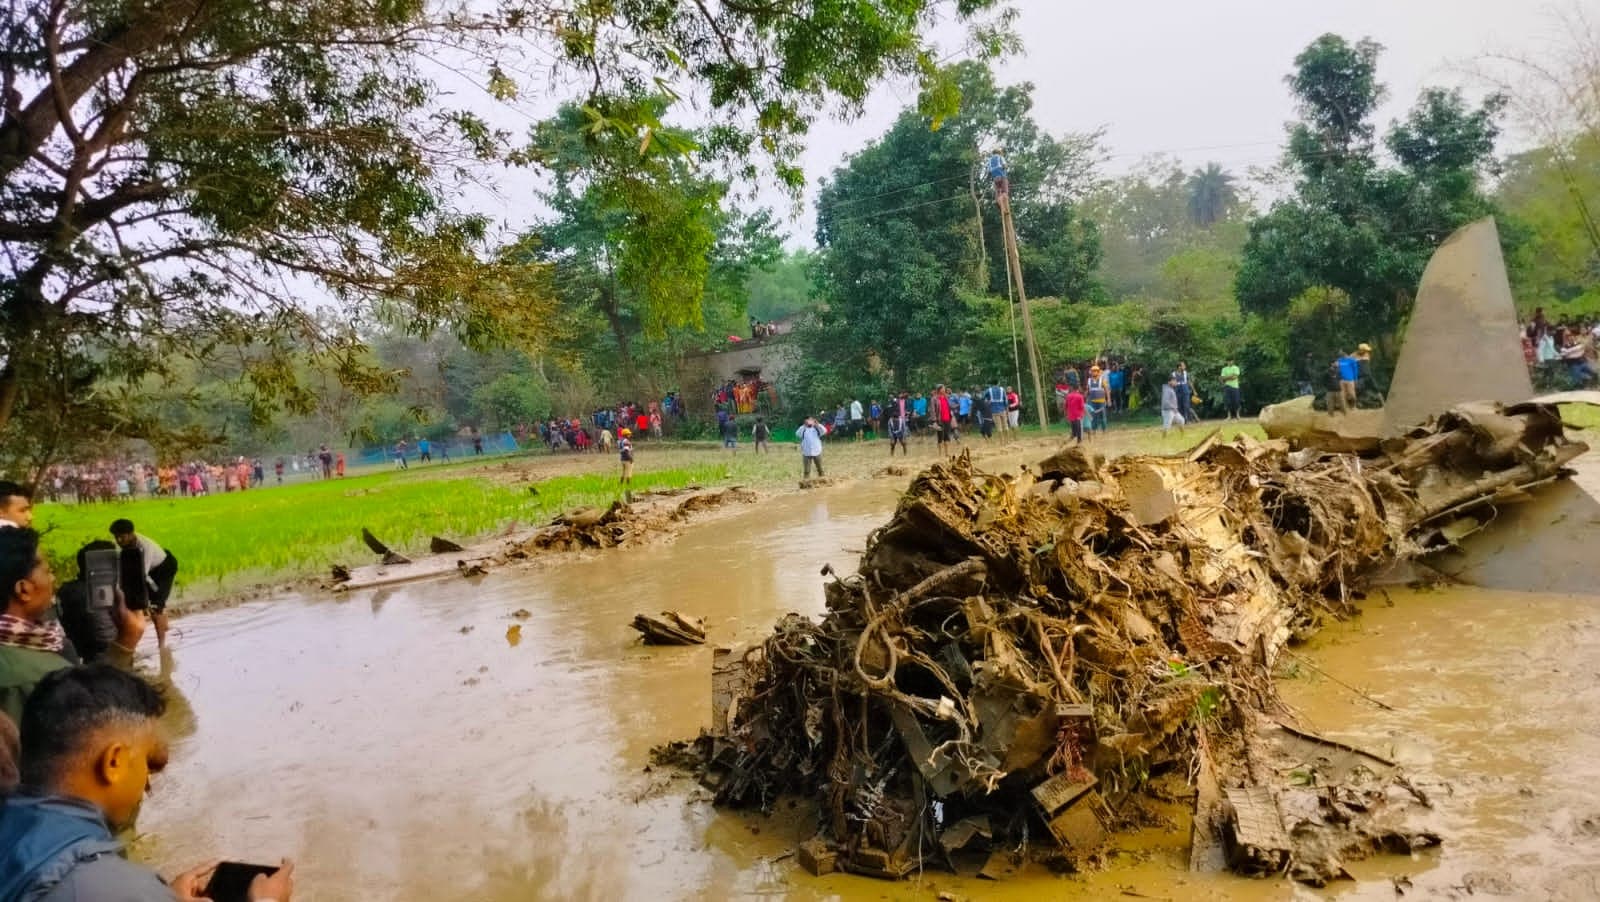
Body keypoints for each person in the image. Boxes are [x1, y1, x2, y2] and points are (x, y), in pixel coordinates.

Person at [0, 664, 296, 901]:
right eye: (144, 763)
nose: (147, 783)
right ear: (114, 762)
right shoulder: (113, 888)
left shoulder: (13, 822)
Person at [110, 519, 178, 649]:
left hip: (163, 569)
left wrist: (147, 598)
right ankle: (164, 624)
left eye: (122, 537)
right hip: (148, 571)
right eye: (116, 537)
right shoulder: (124, 545)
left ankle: (162, 645)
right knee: (148, 600)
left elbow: (141, 576)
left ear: (131, 534)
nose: (119, 541)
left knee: (155, 605)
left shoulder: (144, 548)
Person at [1084, 365, 1109, 435]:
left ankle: (1104, 429)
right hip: (1092, 401)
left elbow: (1107, 390)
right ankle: (1094, 429)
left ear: (1098, 372)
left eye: (1095, 371)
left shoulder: (1102, 380)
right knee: (1093, 415)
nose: (1094, 373)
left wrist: (1109, 399)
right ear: (1091, 372)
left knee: (1102, 415)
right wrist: (1085, 398)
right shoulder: (1089, 380)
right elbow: (1087, 391)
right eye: (1093, 371)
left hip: (1101, 401)